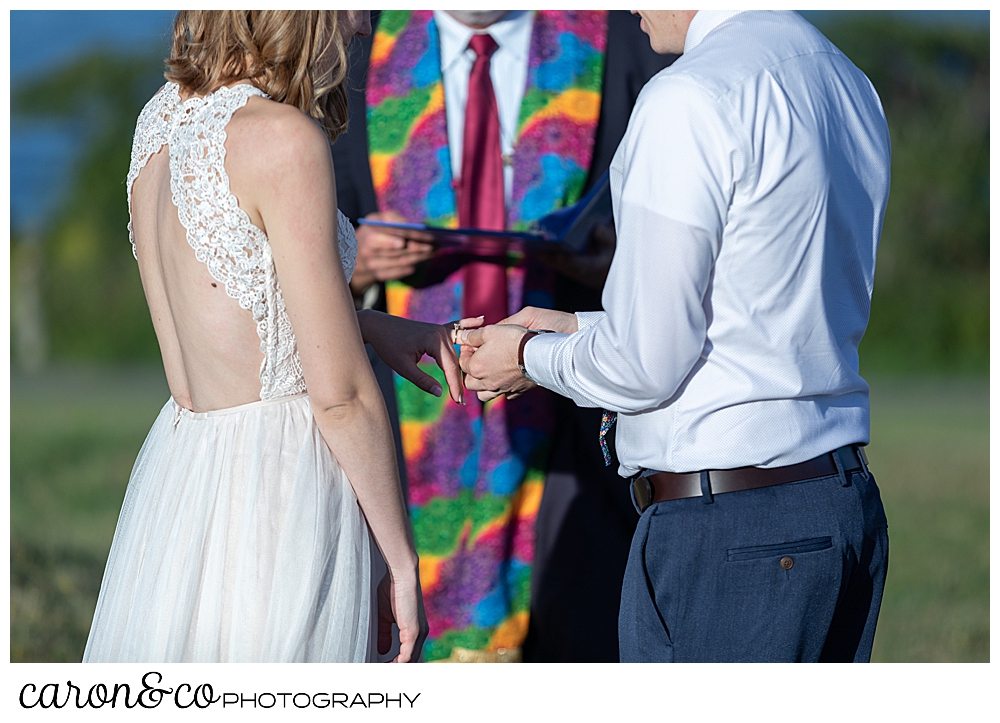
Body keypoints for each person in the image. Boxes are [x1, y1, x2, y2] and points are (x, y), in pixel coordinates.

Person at [458, 10, 891, 662]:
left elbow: (643, 364)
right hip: (839, 502)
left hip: (729, 529)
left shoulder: (688, 96)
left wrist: (526, 356)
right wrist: (573, 327)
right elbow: (754, 316)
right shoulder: (847, 82)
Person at [83, 10, 467, 663]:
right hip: (281, 493)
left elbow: (231, 319)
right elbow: (340, 396)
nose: (361, 27)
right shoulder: (282, 141)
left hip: (186, 481)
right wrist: (400, 560)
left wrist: (371, 326)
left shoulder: (158, 121)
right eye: (352, 10)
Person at [331, 10, 675, 662]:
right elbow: (293, 229)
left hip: (574, 438)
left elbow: (678, 228)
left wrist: (618, 266)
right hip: (405, 425)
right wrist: (351, 256)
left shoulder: (623, 35)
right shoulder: (359, 41)